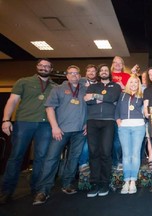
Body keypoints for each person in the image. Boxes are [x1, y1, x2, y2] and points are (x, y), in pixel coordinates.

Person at [0, 59, 56, 204]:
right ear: (37, 67)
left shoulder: (55, 86)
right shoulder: (23, 81)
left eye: (47, 66)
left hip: (45, 126)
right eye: (41, 65)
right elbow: (12, 101)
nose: (44, 68)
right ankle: (7, 191)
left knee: (41, 158)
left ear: (51, 69)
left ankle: (36, 189)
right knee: (16, 156)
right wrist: (6, 119)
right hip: (24, 123)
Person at [33, 65, 87, 205]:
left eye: (76, 73)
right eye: (71, 73)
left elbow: (90, 108)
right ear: (67, 76)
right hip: (61, 131)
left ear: (79, 75)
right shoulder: (57, 89)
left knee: (73, 158)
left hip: (80, 131)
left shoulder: (85, 89)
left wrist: (87, 124)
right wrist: (54, 127)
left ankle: (67, 184)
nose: (74, 75)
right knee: (51, 158)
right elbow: (49, 108)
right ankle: (43, 190)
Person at [85, 64, 121, 197]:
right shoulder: (92, 85)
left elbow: (112, 98)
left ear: (109, 73)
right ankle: (95, 183)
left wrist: (95, 96)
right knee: (93, 152)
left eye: (106, 70)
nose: (104, 72)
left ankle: (105, 183)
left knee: (106, 152)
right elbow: (87, 101)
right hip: (92, 120)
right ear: (99, 73)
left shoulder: (115, 86)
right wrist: (101, 100)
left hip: (109, 121)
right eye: (102, 70)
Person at [115, 75, 146, 194]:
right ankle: (126, 180)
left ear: (139, 85)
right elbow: (117, 109)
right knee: (126, 155)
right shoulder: (122, 95)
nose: (133, 84)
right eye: (131, 82)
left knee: (135, 154)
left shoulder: (142, 96)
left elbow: (147, 109)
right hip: (124, 127)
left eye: (136, 82)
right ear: (128, 83)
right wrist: (118, 120)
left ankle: (133, 180)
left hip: (138, 127)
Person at [78, 64, 97, 190]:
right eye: (88, 71)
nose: (90, 72)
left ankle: (92, 165)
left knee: (94, 144)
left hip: (94, 116)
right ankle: (83, 165)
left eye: (93, 71)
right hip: (81, 115)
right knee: (84, 143)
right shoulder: (80, 83)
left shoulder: (99, 84)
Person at [141, 72, 152, 169]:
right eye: (143, 77)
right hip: (139, 118)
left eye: (147, 77)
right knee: (140, 141)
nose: (145, 79)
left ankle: (151, 160)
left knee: (150, 139)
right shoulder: (138, 87)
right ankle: (142, 159)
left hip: (150, 117)